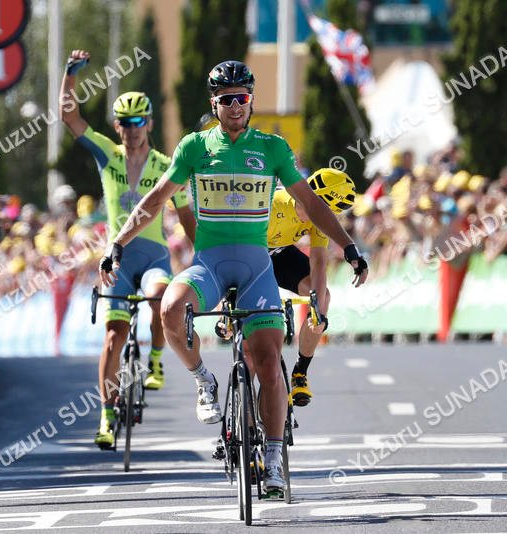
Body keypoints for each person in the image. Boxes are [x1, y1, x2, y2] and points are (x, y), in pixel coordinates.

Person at [99, 60, 368, 497]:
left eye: (242, 98)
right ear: (214, 104)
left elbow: (313, 205)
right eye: (226, 99)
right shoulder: (194, 147)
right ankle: (204, 379)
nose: (235, 106)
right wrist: (118, 242)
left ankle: (276, 457)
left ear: (251, 100)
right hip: (209, 264)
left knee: (266, 362)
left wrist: (349, 247)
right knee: (169, 307)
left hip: (258, 267)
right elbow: (154, 201)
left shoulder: (274, 148)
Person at [60, 49, 196, 449]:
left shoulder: (166, 164)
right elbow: (70, 118)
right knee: (113, 337)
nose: (132, 128)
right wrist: (70, 76)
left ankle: (155, 359)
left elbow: (186, 215)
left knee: (158, 298)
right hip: (116, 260)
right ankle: (105, 415)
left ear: (150, 123)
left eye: (139, 121)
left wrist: (203, 253)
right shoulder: (107, 153)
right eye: (125, 122)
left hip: (153, 255)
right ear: (117, 126)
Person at [263, 167, 356, 407]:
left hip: (282, 256)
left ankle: (300, 373)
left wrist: (316, 307)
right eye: (330, 210)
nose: (329, 217)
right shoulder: (274, 203)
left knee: (323, 296)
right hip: (252, 255)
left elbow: (318, 260)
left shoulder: (318, 217)